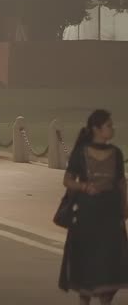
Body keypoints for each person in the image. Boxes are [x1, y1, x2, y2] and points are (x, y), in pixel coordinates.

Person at [60, 109, 128, 303]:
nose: (112, 129)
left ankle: (105, 300)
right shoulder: (81, 153)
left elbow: (121, 183)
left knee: (110, 262)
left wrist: (125, 207)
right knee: (87, 262)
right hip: (87, 215)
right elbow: (67, 180)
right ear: (96, 129)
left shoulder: (116, 153)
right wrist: (84, 186)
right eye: (108, 125)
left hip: (110, 215)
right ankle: (85, 300)